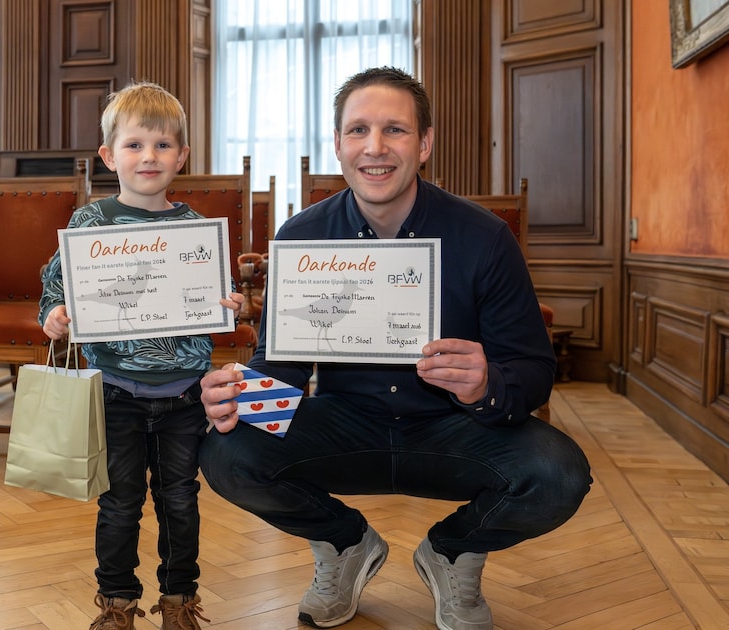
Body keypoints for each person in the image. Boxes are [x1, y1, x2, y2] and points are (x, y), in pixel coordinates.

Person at [197, 66, 593, 630]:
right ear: (337, 145)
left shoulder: (483, 237)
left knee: (559, 473)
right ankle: (345, 543)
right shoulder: (302, 237)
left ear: (425, 143)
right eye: (357, 130)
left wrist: (486, 384)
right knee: (226, 451)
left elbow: (533, 372)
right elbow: (279, 372)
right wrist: (237, 394)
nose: (374, 148)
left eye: (395, 130)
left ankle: (453, 551)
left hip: (455, 431)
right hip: (344, 426)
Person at [40, 81, 243, 630]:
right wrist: (54, 319)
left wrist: (233, 303)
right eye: (134, 145)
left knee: (181, 503)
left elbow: (220, 298)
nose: (148, 157)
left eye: (161, 145)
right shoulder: (90, 224)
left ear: (182, 156)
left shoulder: (198, 230)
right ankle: (118, 604)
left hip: (184, 395)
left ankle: (179, 602)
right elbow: (55, 288)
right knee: (120, 504)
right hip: (116, 393)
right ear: (109, 155)